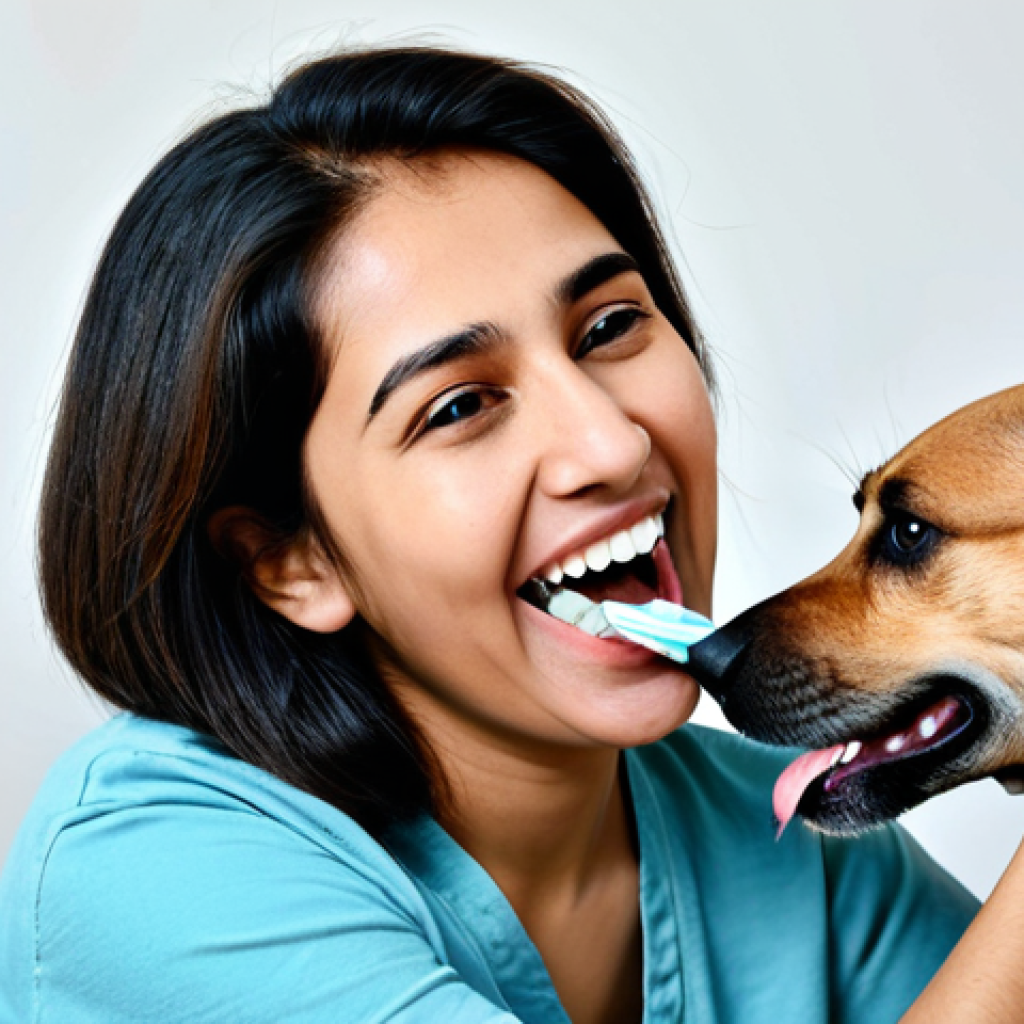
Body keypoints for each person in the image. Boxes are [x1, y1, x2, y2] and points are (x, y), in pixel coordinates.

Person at [0, 46, 981, 1024]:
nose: (610, 441)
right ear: (286, 560)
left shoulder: (790, 838)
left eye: (607, 328)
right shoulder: (153, 873)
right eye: (461, 404)